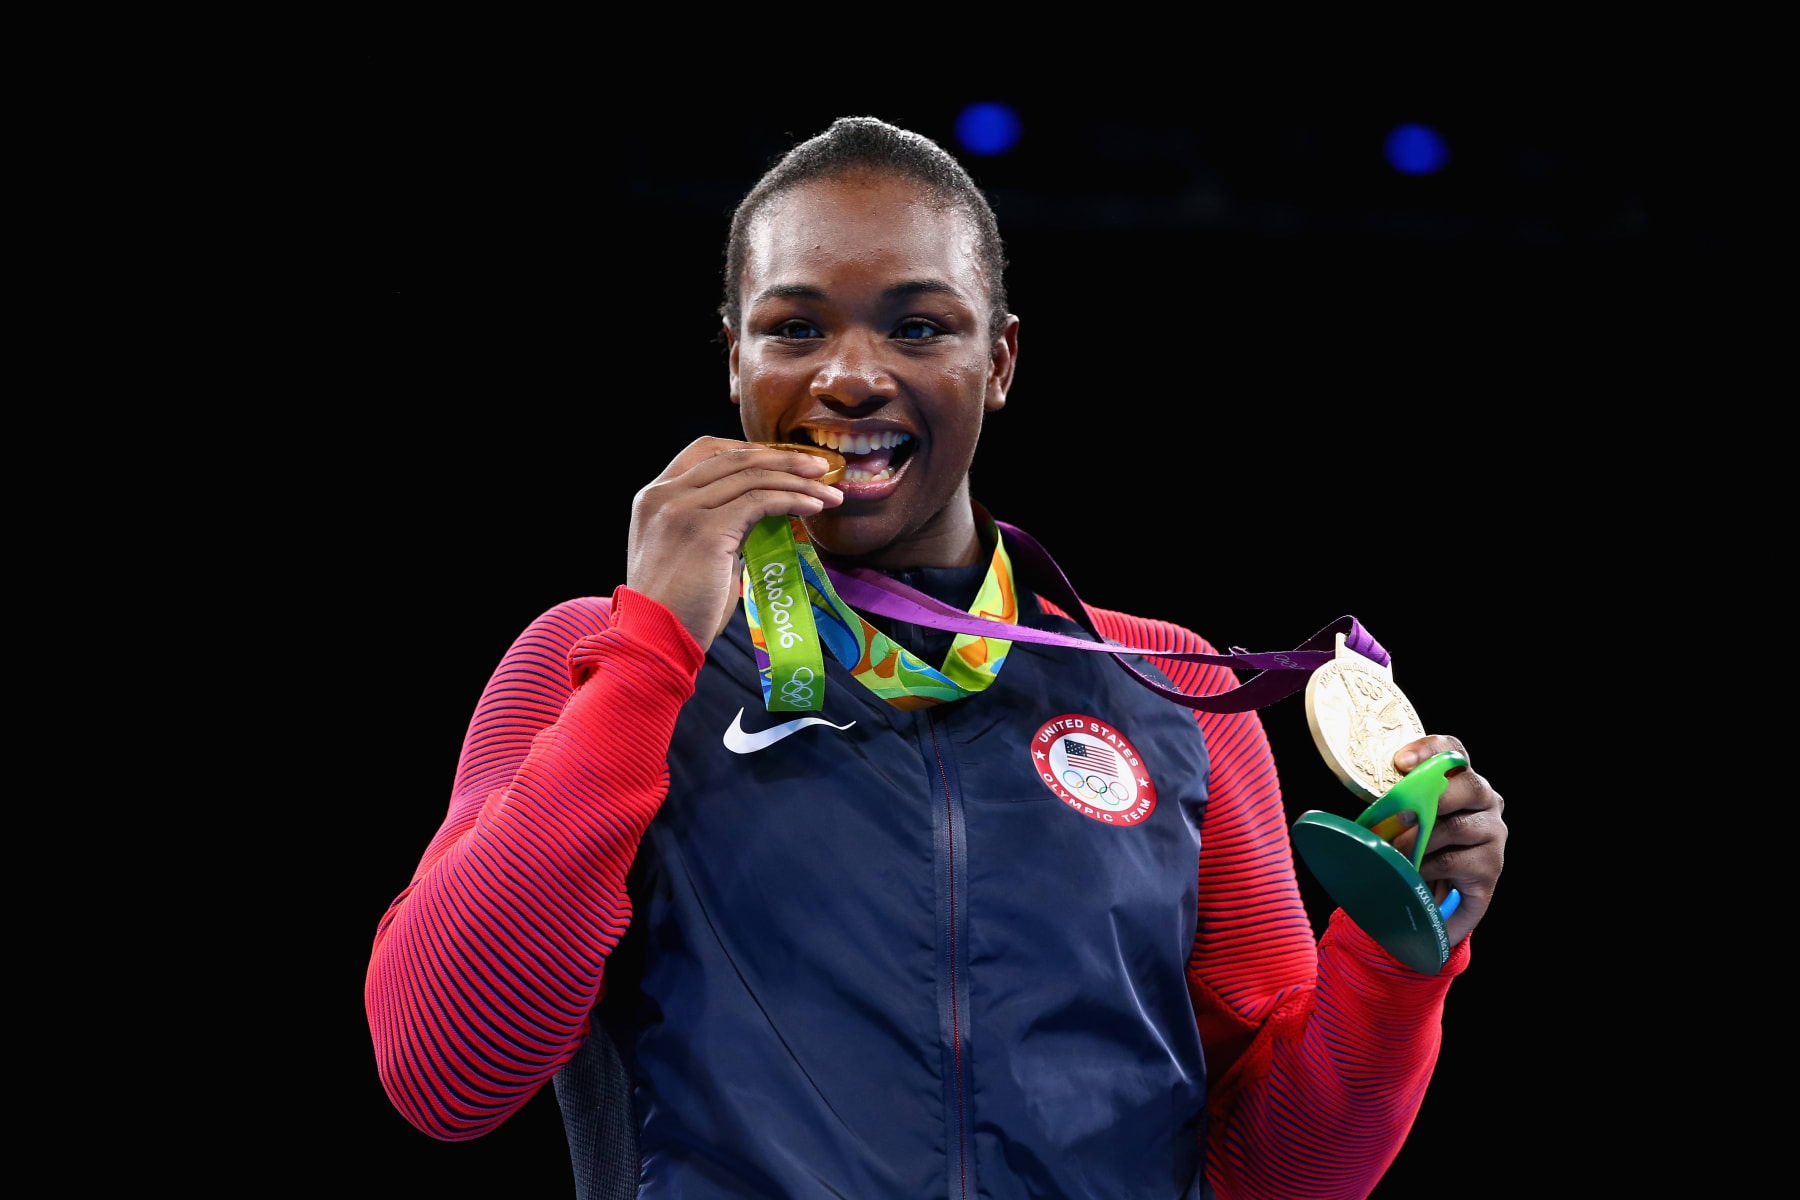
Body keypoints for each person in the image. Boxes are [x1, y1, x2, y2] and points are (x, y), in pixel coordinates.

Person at [364, 115, 1508, 1199]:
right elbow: (443, 1069)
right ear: (734, 358)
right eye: (795, 327)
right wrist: (655, 646)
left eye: (918, 326)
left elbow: (1278, 1175)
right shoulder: (594, 660)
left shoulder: (1172, 690)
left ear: (999, 360)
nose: (851, 376)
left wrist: (1394, 961)